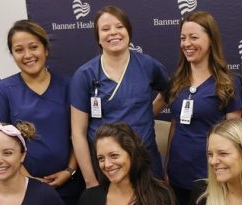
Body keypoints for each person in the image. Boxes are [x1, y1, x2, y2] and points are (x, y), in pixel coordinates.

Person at [0, 20, 83, 205]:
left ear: (46, 49)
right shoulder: (3, 90)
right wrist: (27, 178)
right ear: (13, 54)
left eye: (33, 47)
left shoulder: (68, 86)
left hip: (69, 186)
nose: (28, 55)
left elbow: (79, 133)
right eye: (19, 50)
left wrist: (69, 171)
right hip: (22, 188)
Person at [70, 5, 169, 187]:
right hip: (107, 167)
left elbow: (168, 94)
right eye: (105, 29)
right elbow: (78, 133)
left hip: (145, 161)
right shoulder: (85, 75)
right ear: (98, 37)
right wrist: (91, 181)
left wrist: (145, 114)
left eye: (119, 27)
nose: (113, 33)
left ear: (128, 31)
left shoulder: (148, 65)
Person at [166, 10, 242, 205]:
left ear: (211, 39)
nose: (187, 43)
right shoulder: (176, 82)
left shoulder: (228, 82)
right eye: (183, 38)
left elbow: (236, 136)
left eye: (194, 37)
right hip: (177, 176)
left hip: (212, 177)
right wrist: (167, 167)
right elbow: (175, 125)